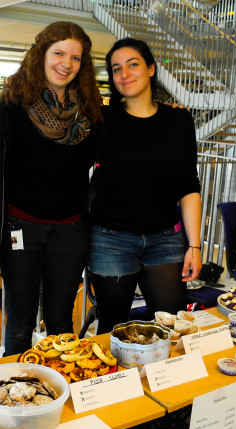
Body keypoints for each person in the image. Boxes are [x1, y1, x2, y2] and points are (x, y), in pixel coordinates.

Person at [0, 21, 102, 355]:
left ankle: (62, 389)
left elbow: (129, 127)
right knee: (20, 321)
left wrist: (167, 111)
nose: (66, 63)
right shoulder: (12, 105)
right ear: (41, 54)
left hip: (70, 229)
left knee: (61, 322)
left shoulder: (89, 111)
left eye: (75, 57)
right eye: (58, 53)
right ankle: (13, 399)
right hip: (20, 226)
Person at [88, 37, 202, 334]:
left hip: (165, 241)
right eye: (116, 69)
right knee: (113, 328)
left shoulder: (179, 120)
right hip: (110, 241)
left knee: (172, 325)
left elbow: (189, 185)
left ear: (151, 68)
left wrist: (195, 245)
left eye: (133, 64)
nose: (124, 74)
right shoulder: (102, 118)